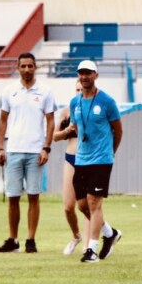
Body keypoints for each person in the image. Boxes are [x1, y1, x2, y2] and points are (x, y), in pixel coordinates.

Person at [0, 52, 56, 253]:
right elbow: (3, 120)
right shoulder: (9, 91)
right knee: (13, 196)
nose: (27, 70)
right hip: (14, 150)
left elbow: (50, 121)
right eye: (23, 66)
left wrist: (46, 148)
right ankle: (13, 239)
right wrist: (1, 147)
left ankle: (31, 239)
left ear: (35, 67)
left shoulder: (45, 91)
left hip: (35, 152)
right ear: (17, 67)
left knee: (33, 196)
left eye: (30, 66)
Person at [70, 60, 123, 263]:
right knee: (82, 205)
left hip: (101, 159)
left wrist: (111, 152)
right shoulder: (75, 102)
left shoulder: (107, 101)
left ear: (96, 75)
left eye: (88, 73)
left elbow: (118, 130)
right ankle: (110, 233)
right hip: (81, 159)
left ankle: (90, 250)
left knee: (94, 203)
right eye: (81, 73)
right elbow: (77, 128)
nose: (84, 77)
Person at [52, 81, 84, 255]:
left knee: (87, 205)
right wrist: (67, 130)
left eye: (82, 89)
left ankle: (92, 242)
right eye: (76, 90)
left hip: (88, 159)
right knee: (68, 206)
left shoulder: (95, 107)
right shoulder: (67, 110)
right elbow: (55, 136)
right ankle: (76, 236)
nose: (79, 92)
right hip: (71, 157)